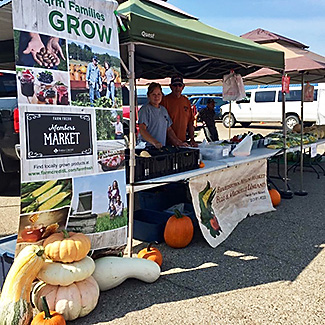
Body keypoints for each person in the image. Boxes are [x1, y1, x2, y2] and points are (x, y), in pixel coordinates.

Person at [138, 82, 186, 149]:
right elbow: (142, 130)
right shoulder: (145, 110)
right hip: (147, 148)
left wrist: (178, 142)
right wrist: (155, 142)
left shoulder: (163, 110)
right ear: (148, 96)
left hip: (161, 148)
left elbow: (169, 130)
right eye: (153, 94)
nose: (156, 97)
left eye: (159, 94)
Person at [160, 75, 197, 147]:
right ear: (170, 86)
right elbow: (164, 124)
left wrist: (192, 139)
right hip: (167, 143)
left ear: (183, 87)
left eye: (179, 85)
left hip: (183, 142)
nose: (177, 88)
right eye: (175, 85)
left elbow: (190, 121)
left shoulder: (186, 101)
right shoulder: (164, 100)